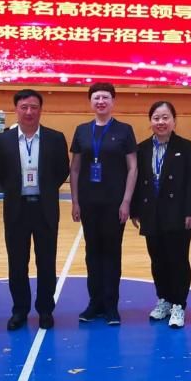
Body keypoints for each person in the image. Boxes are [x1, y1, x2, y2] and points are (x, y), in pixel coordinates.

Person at [0, 89, 70, 331]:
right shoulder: (3, 140)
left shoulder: (55, 138)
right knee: (17, 263)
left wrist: (45, 187)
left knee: (46, 263)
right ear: (16, 109)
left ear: (40, 110)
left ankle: (45, 310)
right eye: (24, 107)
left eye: (34, 107)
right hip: (16, 209)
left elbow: (62, 170)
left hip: (45, 209)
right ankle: (19, 310)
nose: (29, 112)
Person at [70, 82, 138, 325]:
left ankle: (111, 305)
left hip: (114, 204)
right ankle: (95, 303)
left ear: (113, 101)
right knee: (92, 253)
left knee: (111, 253)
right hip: (89, 203)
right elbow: (75, 169)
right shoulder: (81, 131)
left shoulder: (125, 130)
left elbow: (132, 168)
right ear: (91, 101)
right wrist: (75, 201)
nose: (101, 101)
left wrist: (126, 201)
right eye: (96, 97)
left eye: (105, 97)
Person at [131, 101, 191, 329]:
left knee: (178, 260)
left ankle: (179, 304)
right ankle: (164, 299)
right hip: (151, 213)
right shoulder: (142, 148)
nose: (161, 122)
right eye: (156, 118)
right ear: (150, 121)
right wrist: (135, 210)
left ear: (174, 121)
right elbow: (138, 182)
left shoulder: (184, 146)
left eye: (165, 117)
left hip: (178, 214)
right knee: (157, 259)